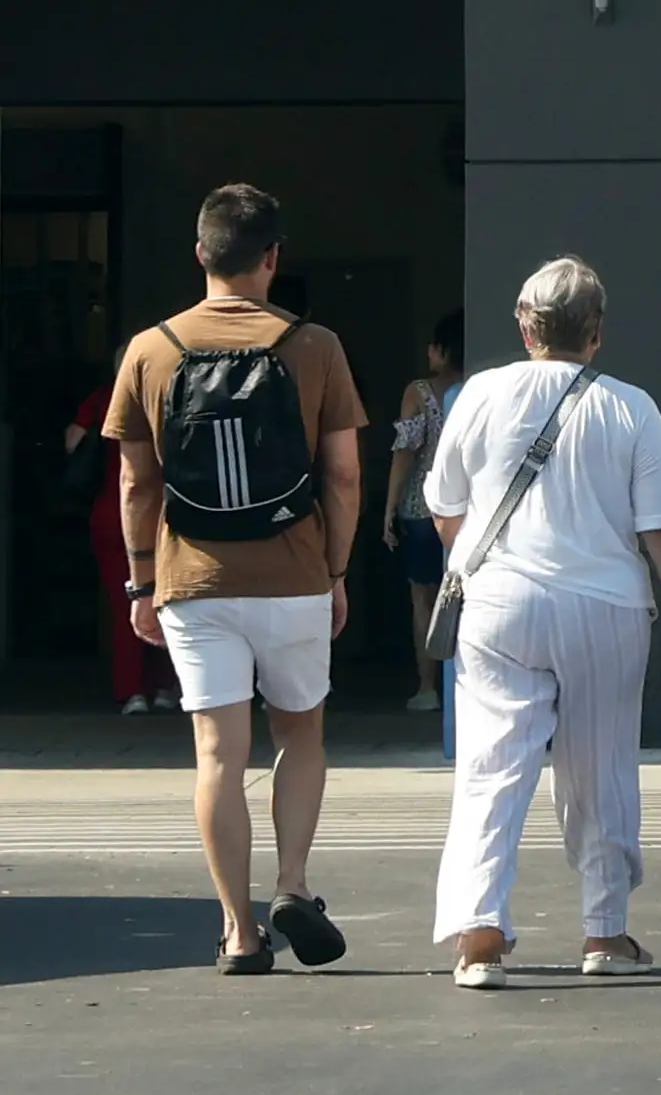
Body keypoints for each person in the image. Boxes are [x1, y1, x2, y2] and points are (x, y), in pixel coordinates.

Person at [104, 182, 367, 974]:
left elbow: (135, 482)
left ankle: (238, 931)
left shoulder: (151, 349)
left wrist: (141, 583)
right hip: (293, 574)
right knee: (301, 734)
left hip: (194, 577)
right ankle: (292, 884)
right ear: (273, 258)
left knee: (219, 752)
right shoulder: (314, 345)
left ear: (201, 255)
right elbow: (345, 476)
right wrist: (336, 570)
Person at [425, 258, 661, 989]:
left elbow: (444, 504)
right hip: (604, 606)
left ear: (524, 326)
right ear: (597, 333)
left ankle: (480, 934)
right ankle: (604, 933)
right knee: (602, 765)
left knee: (491, 766)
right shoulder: (629, 407)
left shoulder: (477, 395)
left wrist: (473, 563)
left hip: (498, 603)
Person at [64, 385, 179, 713]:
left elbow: (73, 443)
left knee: (125, 605)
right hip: (163, 516)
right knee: (170, 602)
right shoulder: (168, 393)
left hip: (113, 513)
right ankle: (164, 685)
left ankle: (132, 691)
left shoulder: (101, 399)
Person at [384, 310, 468, 712]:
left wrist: (390, 505)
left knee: (424, 599)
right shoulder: (479, 388)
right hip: (470, 510)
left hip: (422, 507)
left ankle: (427, 686)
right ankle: (463, 686)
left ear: (441, 350)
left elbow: (405, 451)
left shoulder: (419, 392)